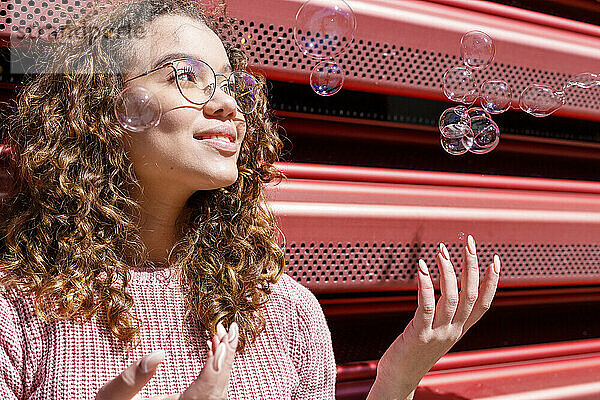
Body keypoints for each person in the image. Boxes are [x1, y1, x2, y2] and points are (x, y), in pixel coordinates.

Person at [0, 0, 501, 399]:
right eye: (185, 76)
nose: (227, 105)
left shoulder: (285, 312)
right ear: (104, 107)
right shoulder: (17, 313)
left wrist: (396, 382)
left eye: (229, 85)